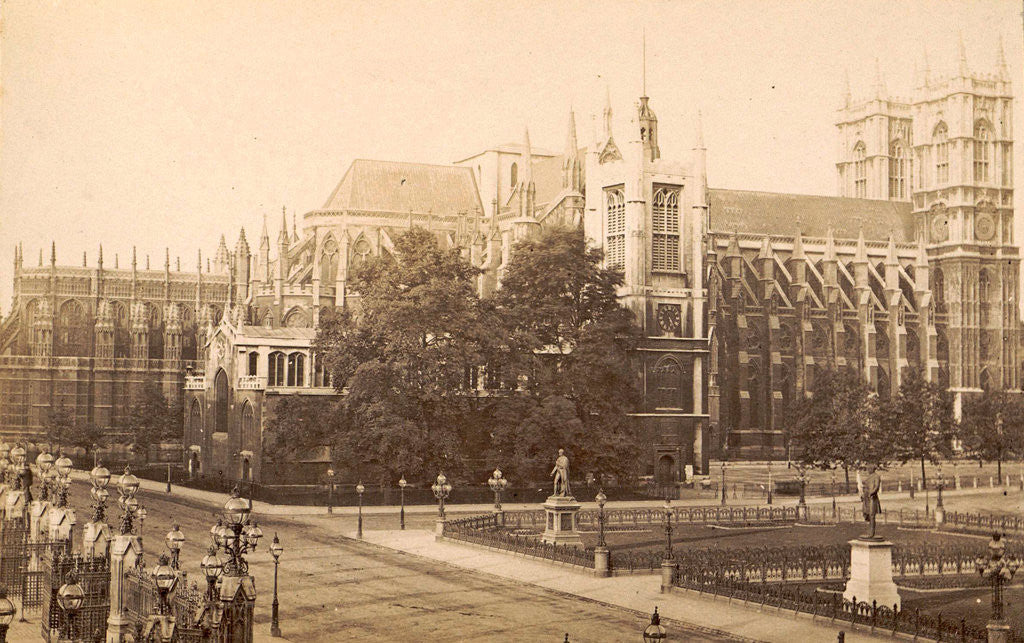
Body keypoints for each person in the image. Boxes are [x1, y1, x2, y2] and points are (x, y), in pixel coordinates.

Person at [861, 464, 882, 539]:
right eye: (867, 469)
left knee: (872, 515)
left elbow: (876, 487)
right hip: (866, 498)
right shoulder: (868, 477)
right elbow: (865, 487)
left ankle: (872, 532)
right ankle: (869, 530)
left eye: (869, 469)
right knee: (866, 514)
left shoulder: (876, 476)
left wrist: (871, 493)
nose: (868, 470)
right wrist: (863, 494)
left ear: (872, 469)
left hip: (872, 498)